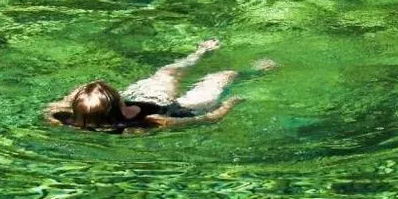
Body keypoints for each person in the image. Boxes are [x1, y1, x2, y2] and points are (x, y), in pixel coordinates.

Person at [44, 39, 276, 133]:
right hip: (177, 107)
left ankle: (201, 52)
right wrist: (230, 104)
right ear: (120, 105)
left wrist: (77, 95)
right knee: (223, 76)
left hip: (145, 97)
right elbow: (206, 120)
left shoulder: (69, 118)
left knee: (168, 72)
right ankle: (258, 72)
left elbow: (52, 110)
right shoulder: (151, 121)